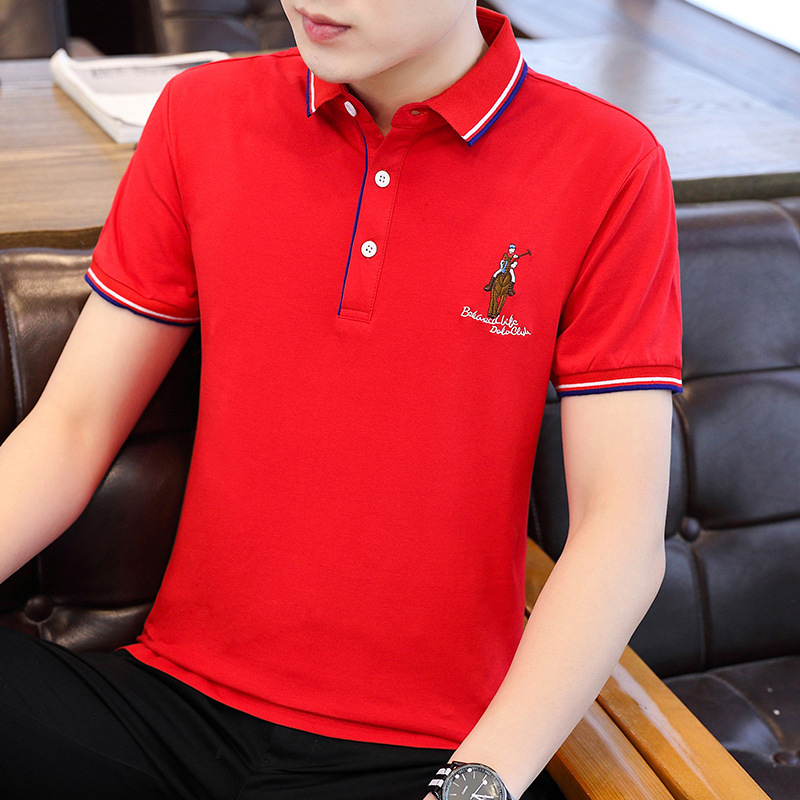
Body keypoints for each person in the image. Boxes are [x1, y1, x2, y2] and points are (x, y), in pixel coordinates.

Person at [0, 1, 682, 798]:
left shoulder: (607, 164)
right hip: (168, 708)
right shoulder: (201, 114)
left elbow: (618, 532)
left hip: (424, 753)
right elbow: (73, 427)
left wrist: (477, 783)